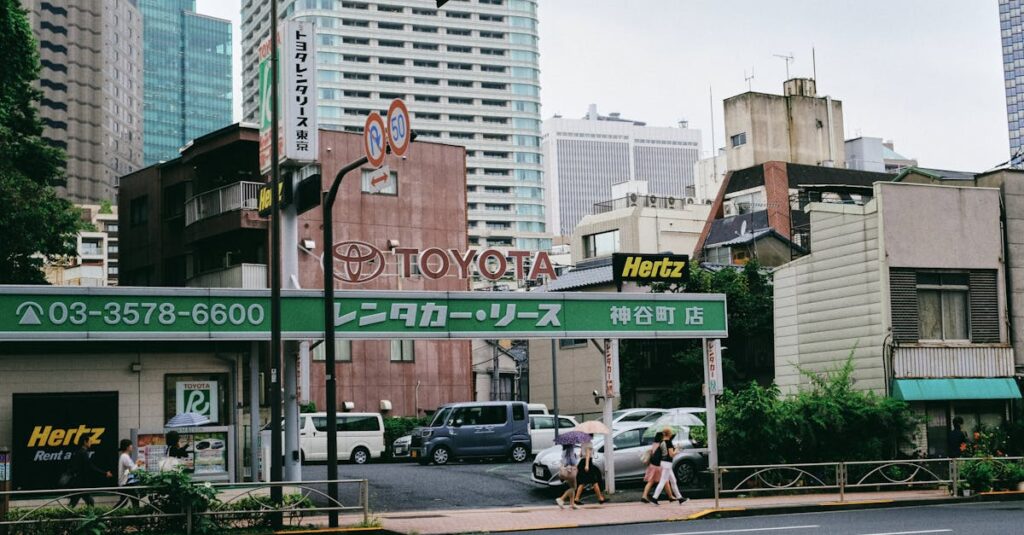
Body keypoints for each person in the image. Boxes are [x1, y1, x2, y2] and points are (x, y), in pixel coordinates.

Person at [68, 437, 113, 508]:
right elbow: (90, 467)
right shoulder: (83, 453)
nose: (91, 443)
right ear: (85, 442)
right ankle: (90, 517)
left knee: (78, 502)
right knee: (88, 502)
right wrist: (104, 473)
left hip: (78, 483)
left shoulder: (79, 452)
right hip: (81, 484)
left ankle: (89, 516)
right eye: (90, 441)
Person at [650, 427, 687, 505]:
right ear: (669, 434)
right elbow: (671, 454)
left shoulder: (662, 442)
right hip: (667, 463)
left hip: (663, 462)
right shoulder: (669, 442)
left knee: (673, 480)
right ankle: (654, 498)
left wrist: (675, 448)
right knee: (663, 481)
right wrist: (677, 449)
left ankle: (680, 498)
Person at [574, 435, 607, 505]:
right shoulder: (589, 443)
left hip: (581, 463)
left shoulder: (583, 443)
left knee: (582, 482)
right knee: (594, 481)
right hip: (587, 463)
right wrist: (587, 465)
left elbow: (580, 455)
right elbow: (588, 455)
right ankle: (600, 498)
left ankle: (576, 498)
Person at [115, 439, 144, 509]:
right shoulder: (125, 457)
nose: (132, 447)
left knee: (125, 501)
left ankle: (110, 514)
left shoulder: (124, 456)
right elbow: (132, 470)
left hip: (126, 482)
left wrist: (136, 465)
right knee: (133, 500)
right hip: (126, 483)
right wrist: (137, 464)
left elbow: (128, 470)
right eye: (131, 445)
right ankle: (136, 515)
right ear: (127, 447)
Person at [641, 432, 664, 503]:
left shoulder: (654, 444)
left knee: (651, 481)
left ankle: (645, 496)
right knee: (663, 481)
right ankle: (670, 496)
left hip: (652, 465)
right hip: (657, 466)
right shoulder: (661, 445)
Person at [555, 444, 579, 509]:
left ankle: (572, 503)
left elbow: (563, 460)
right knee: (574, 487)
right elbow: (572, 460)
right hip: (570, 470)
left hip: (566, 470)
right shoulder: (570, 449)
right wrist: (576, 459)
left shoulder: (564, 449)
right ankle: (561, 498)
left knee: (572, 486)